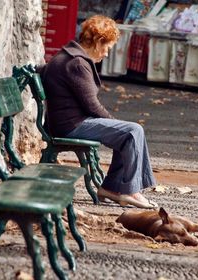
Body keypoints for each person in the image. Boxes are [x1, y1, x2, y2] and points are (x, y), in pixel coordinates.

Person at [39, 15, 158, 209]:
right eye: (107, 47)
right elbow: (92, 106)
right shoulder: (77, 63)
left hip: (64, 123)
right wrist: (115, 124)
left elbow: (43, 71)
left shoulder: (67, 56)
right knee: (131, 131)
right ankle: (128, 191)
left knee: (127, 132)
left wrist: (115, 126)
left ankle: (114, 188)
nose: (107, 54)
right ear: (98, 42)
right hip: (70, 126)